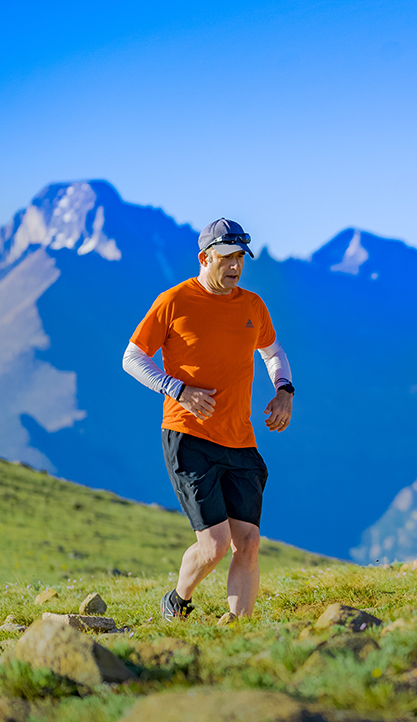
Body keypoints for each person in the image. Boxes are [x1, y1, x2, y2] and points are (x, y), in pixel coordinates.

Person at [122, 218, 294, 622]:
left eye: (241, 259)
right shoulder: (174, 301)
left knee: (248, 542)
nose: (235, 267)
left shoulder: (252, 305)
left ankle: (238, 630)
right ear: (205, 258)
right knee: (215, 545)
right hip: (189, 436)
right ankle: (177, 600)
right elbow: (132, 358)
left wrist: (284, 390)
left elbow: (273, 352)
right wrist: (176, 388)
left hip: (240, 438)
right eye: (227, 258)